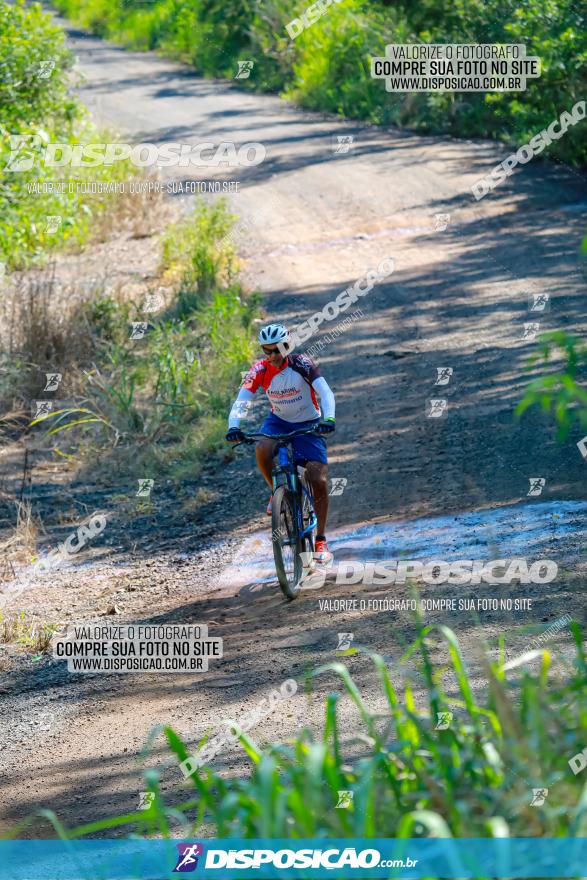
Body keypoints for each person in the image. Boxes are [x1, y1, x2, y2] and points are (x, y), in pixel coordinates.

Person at [226, 323, 335, 564]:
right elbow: (242, 400)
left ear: (287, 346)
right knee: (262, 448)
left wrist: (329, 419)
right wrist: (233, 426)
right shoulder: (259, 370)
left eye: (276, 350)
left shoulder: (302, 364)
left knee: (318, 478)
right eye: (267, 351)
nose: (272, 356)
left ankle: (321, 540)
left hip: (308, 421)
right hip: (279, 421)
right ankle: (275, 491)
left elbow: (325, 393)